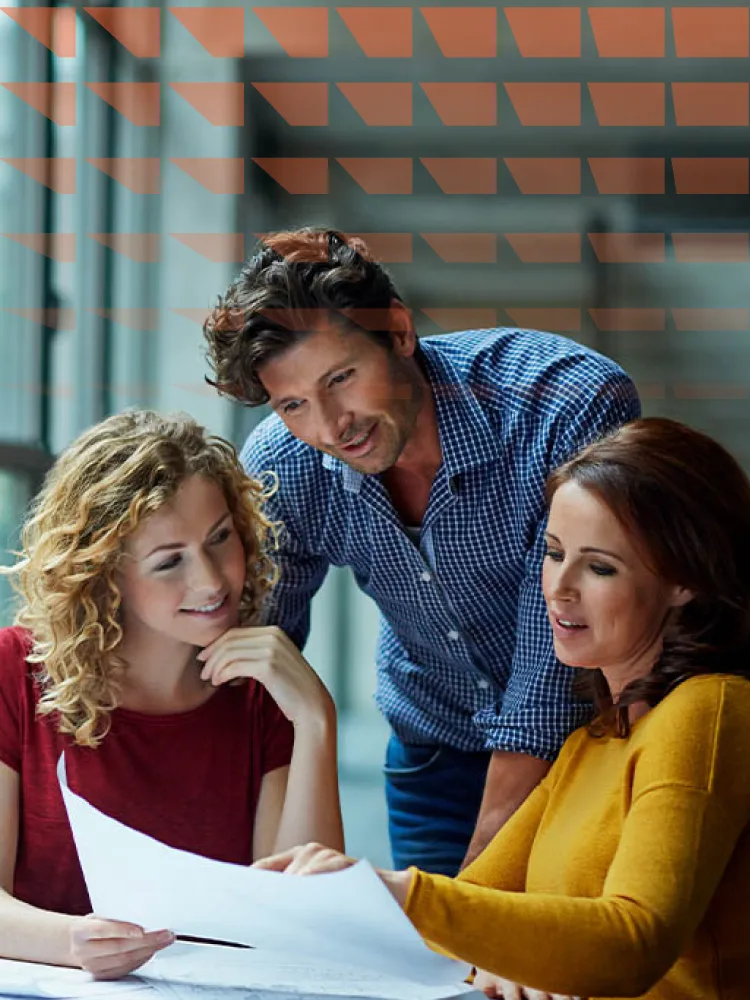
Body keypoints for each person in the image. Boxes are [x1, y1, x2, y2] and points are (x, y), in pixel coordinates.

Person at [255, 417, 750, 1000]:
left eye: (600, 567)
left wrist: (392, 891)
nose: (558, 587)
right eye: (554, 552)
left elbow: (634, 943)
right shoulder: (589, 741)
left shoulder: (709, 708)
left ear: (685, 581)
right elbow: (471, 914)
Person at [202, 226, 641, 875]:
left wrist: (471, 886)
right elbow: (251, 652)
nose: (329, 426)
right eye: (293, 403)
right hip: (434, 750)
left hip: (594, 747)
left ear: (400, 331)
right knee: (436, 973)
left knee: (566, 964)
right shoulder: (284, 463)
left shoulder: (560, 404)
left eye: (342, 378)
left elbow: (553, 667)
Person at [0, 410, 343, 979]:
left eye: (219, 539)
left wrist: (314, 718)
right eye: (170, 561)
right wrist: (71, 941)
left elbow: (308, 924)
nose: (211, 580)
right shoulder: (15, 669)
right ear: (105, 574)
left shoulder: (263, 698)